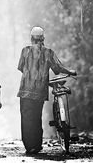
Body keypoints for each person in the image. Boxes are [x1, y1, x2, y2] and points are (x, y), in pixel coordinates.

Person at [17, 26, 76, 154]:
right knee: (37, 117)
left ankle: (30, 146)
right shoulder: (48, 53)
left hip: (25, 90)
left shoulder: (25, 51)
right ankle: (37, 145)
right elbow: (58, 68)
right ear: (43, 38)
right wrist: (70, 71)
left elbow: (21, 67)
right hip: (39, 92)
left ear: (31, 38)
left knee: (27, 119)